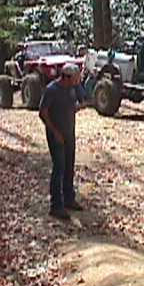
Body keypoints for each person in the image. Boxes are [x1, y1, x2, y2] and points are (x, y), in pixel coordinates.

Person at [39, 63, 87, 220]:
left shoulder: (72, 89)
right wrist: (55, 132)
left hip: (69, 134)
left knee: (69, 166)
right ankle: (56, 205)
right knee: (59, 168)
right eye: (75, 79)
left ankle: (68, 199)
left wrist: (80, 106)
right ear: (67, 77)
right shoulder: (52, 90)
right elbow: (43, 113)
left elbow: (74, 105)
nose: (77, 81)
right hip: (56, 135)